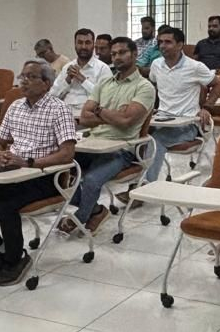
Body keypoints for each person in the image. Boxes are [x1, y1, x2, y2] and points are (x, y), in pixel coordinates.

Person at [0, 60, 77, 286]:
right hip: (11, 171)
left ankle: (15, 259)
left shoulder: (59, 109)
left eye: (31, 77)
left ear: (47, 83)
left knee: (5, 205)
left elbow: (67, 154)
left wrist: (30, 162)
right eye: (22, 76)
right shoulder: (15, 107)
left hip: (43, 176)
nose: (23, 81)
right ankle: (1, 249)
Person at [62, 37, 154, 236]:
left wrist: (99, 110)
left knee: (91, 181)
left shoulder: (145, 87)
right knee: (58, 173)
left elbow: (125, 121)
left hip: (121, 149)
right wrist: (111, 115)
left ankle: (80, 218)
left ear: (135, 54)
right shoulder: (104, 83)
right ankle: (96, 210)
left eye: (122, 53)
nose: (117, 57)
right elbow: (85, 118)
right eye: (113, 54)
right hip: (92, 143)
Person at [145, 26, 220, 184]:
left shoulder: (195, 67)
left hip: (187, 124)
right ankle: (137, 181)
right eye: (160, 42)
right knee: (135, 137)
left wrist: (207, 107)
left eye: (168, 42)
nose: (162, 46)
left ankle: (146, 185)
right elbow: (154, 84)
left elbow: (218, 84)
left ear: (180, 45)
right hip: (161, 120)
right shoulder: (156, 64)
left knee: (155, 140)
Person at [50, 27, 111, 117]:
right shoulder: (67, 67)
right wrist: (67, 80)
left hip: (89, 117)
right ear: (75, 44)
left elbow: (106, 98)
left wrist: (83, 80)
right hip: (65, 115)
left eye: (87, 43)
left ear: (93, 45)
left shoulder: (103, 68)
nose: (83, 47)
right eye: (80, 43)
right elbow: (52, 96)